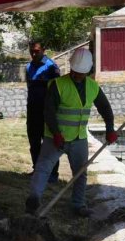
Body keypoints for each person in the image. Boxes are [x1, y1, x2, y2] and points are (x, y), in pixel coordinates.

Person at [25, 48, 117, 217]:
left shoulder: (93, 87)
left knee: (80, 173)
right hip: (55, 137)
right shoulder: (58, 85)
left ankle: (78, 205)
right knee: (43, 168)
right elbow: (49, 112)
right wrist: (56, 133)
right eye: (74, 71)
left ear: (88, 72)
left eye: (80, 73)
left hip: (79, 138)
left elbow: (105, 108)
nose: (76, 75)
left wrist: (110, 129)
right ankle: (34, 199)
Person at [25, 40, 61, 183]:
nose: (34, 54)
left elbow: (58, 89)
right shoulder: (28, 67)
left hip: (47, 111)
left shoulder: (51, 67)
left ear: (43, 50)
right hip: (32, 110)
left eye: (37, 51)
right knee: (34, 141)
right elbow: (29, 86)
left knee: (50, 143)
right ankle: (37, 169)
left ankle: (52, 174)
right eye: (31, 51)